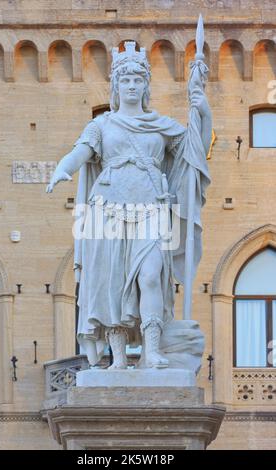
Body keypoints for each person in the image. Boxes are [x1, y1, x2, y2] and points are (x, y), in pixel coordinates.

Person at [46, 42, 211, 369]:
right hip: (107, 210)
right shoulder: (102, 126)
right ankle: (118, 358)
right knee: (112, 283)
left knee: (151, 276)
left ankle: (151, 352)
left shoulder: (161, 126)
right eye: (126, 80)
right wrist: (62, 169)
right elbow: (80, 152)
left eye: (138, 80)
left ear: (146, 85)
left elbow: (195, 152)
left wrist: (203, 112)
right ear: (116, 87)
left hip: (151, 208)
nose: (132, 85)